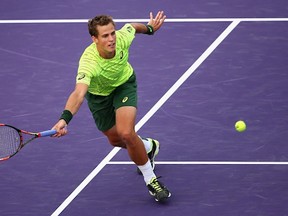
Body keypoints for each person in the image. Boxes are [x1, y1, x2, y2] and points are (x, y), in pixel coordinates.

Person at [52, 11, 171, 202]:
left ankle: (152, 181)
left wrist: (149, 29)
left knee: (126, 133)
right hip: (99, 98)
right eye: (105, 36)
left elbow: (133, 27)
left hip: (124, 86)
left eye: (112, 33)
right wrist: (64, 119)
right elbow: (79, 93)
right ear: (95, 39)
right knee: (116, 141)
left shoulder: (122, 38)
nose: (111, 39)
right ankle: (149, 146)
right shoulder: (88, 62)